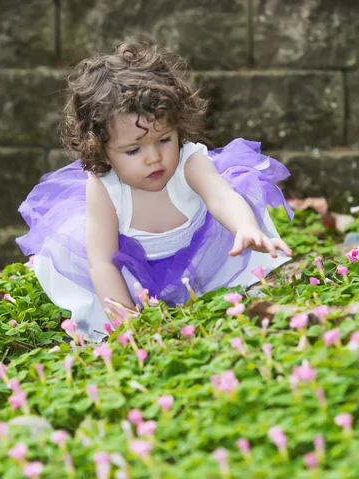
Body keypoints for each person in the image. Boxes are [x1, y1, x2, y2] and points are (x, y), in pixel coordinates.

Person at [16, 41, 294, 342]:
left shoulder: (190, 162)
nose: (153, 158)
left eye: (164, 140)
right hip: (134, 270)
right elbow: (103, 261)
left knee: (243, 204)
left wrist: (245, 226)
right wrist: (128, 322)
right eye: (134, 150)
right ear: (103, 150)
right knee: (101, 281)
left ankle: (248, 289)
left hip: (203, 252)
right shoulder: (104, 187)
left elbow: (221, 196)